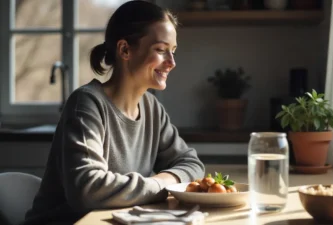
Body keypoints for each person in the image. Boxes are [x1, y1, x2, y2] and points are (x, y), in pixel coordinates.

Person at [23, 1, 205, 224]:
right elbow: (88, 191)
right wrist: (162, 184)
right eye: (160, 50)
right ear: (125, 49)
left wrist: (163, 181)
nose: (171, 63)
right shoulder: (87, 103)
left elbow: (193, 165)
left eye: (173, 51)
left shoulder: (152, 109)